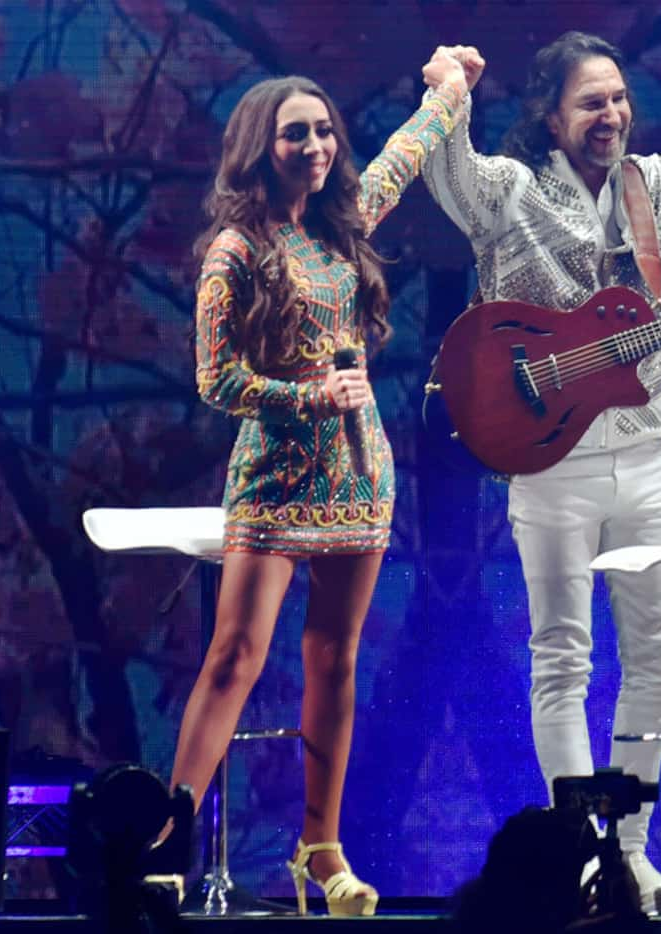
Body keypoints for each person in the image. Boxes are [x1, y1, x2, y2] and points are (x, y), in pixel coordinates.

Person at [420, 32, 661, 912]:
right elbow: (453, 181)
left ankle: (626, 853)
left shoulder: (657, 187)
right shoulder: (517, 191)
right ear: (553, 118)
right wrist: (450, 98)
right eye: (590, 103)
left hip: (645, 457)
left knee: (660, 656)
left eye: (618, 98)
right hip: (548, 461)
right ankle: (574, 862)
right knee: (562, 656)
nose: (611, 115)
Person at [178, 56, 468, 916]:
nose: (315, 145)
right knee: (235, 657)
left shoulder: (342, 228)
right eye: (294, 132)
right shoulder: (236, 249)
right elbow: (215, 380)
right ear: (259, 148)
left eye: (324, 130)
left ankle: (321, 848)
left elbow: (403, 157)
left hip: (359, 472)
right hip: (274, 475)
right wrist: (308, 395)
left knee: (336, 658)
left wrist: (449, 91)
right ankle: (161, 841)